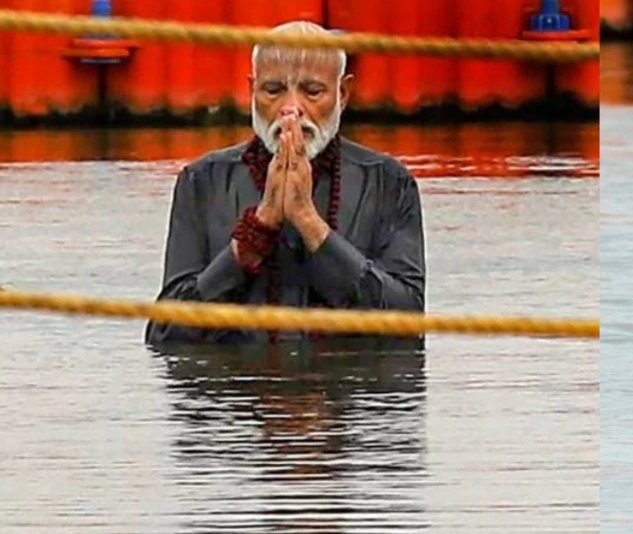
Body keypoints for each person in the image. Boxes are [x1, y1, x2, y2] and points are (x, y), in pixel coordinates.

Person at [145, 20, 426, 345]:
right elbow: (164, 334)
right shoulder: (201, 182)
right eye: (273, 91)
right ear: (252, 91)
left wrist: (310, 224)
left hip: (347, 393)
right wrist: (255, 233)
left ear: (343, 94)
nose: (291, 110)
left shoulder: (389, 182)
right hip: (237, 394)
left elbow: (409, 328)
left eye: (312, 92)